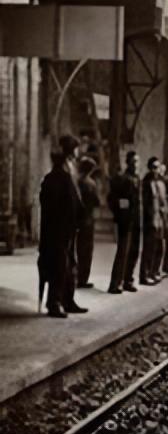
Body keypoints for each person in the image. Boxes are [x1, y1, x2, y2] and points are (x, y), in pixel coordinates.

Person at [38, 135, 86, 317]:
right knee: (59, 266)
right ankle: (54, 303)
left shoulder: (69, 172)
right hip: (58, 231)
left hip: (68, 229)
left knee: (70, 265)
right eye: (76, 148)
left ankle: (68, 300)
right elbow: (58, 205)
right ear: (70, 152)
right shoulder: (58, 176)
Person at [108, 151, 142, 294]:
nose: (137, 165)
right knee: (123, 252)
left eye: (138, 162)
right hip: (126, 221)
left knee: (134, 251)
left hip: (136, 219)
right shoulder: (121, 179)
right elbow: (112, 199)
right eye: (134, 162)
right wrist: (123, 209)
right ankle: (115, 284)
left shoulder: (137, 178)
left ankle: (128, 280)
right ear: (129, 163)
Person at [140, 156, 168, 285]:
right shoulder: (147, 182)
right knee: (149, 248)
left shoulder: (159, 182)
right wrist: (150, 217)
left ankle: (154, 271)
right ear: (150, 168)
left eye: (157, 167)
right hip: (151, 219)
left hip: (159, 218)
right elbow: (146, 203)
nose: (156, 170)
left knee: (159, 247)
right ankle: (145, 274)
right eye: (154, 167)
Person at [75, 156, 100, 289]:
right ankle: (83, 278)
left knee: (79, 249)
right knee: (87, 250)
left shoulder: (77, 181)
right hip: (88, 219)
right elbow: (97, 201)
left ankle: (77, 277)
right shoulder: (91, 183)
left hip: (78, 219)